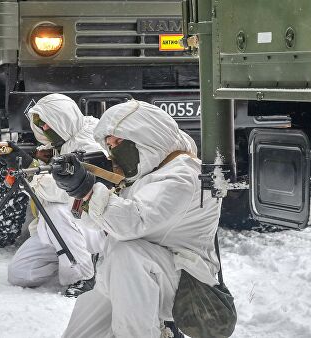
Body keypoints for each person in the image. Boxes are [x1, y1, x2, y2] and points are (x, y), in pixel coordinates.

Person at [52, 100, 222, 337]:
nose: (113, 151)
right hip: (134, 278)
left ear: (145, 135)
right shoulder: (152, 171)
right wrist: (79, 190)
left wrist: (88, 189)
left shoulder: (183, 176)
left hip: (182, 281)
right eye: (109, 145)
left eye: (119, 142)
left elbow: (132, 223)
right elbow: (98, 224)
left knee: (127, 255)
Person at [5, 94, 106, 297]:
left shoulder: (88, 144)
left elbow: (64, 192)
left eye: (46, 125)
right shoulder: (62, 140)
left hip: (94, 223)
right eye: (40, 126)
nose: (43, 130)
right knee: (20, 273)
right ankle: (72, 256)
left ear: (62, 120)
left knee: (55, 211)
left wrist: (31, 168)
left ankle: (83, 276)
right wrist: (33, 166)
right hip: (64, 229)